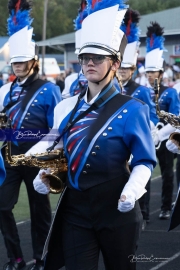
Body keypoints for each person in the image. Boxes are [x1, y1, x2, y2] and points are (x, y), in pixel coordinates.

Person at [25, 2, 156, 270]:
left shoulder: (133, 109)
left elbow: (144, 160)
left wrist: (132, 191)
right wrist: (42, 171)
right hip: (76, 211)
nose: (90, 63)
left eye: (98, 58)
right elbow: (55, 145)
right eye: (85, 58)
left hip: (117, 209)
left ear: (115, 63)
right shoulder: (65, 107)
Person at [0, 1, 62, 270]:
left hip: (37, 157)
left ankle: (41, 257)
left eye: (22, 62)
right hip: (11, 155)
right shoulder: (6, 90)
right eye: (14, 62)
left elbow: (56, 130)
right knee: (2, 206)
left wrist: (45, 158)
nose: (17, 66)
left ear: (33, 61)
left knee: (40, 212)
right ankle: (15, 257)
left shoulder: (49, 89)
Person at [118, 9, 159, 230]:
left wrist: (152, 130)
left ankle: (142, 213)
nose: (123, 71)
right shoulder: (112, 91)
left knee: (138, 173)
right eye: (120, 67)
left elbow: (150, 115)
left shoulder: (142, 91)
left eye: (127, 68)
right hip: (117, 143)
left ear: (133, 69)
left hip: (136, 141)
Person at [145, 22, 180, 220]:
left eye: (153, 73)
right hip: (147, 139)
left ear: (160, 73)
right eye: (148, 73)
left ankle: (166, 207)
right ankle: (144, 212)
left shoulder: (170, 92)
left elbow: (175, 119)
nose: (150, 76)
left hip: (165, 140)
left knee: (167, 174)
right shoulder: (142, 92)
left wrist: (160, 133)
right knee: (144, 174)